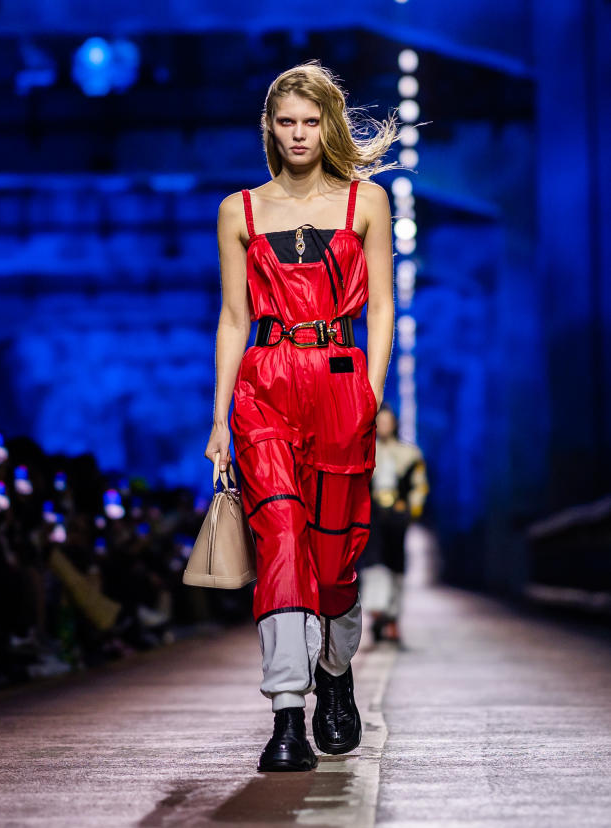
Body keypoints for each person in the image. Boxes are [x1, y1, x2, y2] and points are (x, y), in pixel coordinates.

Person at [205, 62, 398, 772]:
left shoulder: (366, 202)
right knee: (280, 540)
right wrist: (219, 417)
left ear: (329, 126)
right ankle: (288, 714)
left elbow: (381, 307)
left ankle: (335, 674)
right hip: (264, 383)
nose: (297, 134)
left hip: (340, 380)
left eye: (310, 121)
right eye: (285, 121)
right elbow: (233, 316)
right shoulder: (240, 211)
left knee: (336, 558)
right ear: (269, 127)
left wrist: (370, 395)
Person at [359, 405, 428, 644]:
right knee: (373, 561)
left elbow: (419, 485)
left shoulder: (408, 454)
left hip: (397, 516)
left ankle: (393, 617)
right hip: (373, 515)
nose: (385, 426)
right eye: (381, 421)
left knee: (396, 563)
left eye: (389, 421)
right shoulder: (366, 450)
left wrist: (411, 511)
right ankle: (377, 611)